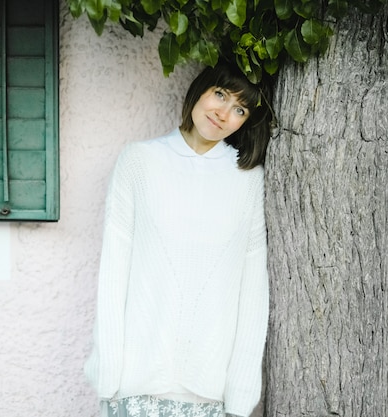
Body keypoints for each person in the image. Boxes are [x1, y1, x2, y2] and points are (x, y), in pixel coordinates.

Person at [85, 60, 275, 417]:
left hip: (210, 393)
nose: (223, 112)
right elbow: (114, 272)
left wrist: (241, 393)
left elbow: (253, 290)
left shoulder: (247, 180)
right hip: (136, 386)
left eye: (239, 108)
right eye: (220, 94)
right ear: (199, 90)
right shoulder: (139, 162)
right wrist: (109, 375)